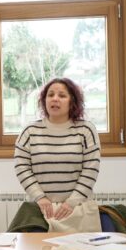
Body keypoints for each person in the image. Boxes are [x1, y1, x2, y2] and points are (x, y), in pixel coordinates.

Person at [13, 77, 100, 224]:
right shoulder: (30, 131)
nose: (55, 99)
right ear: (44, 100)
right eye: (50, 95)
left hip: (77, 210)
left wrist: (71, 203)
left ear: (72, 101)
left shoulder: (86, 130)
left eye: (62, 95)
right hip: (40, 210)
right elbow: (22, 167)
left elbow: (90, 170)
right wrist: (40, 197)